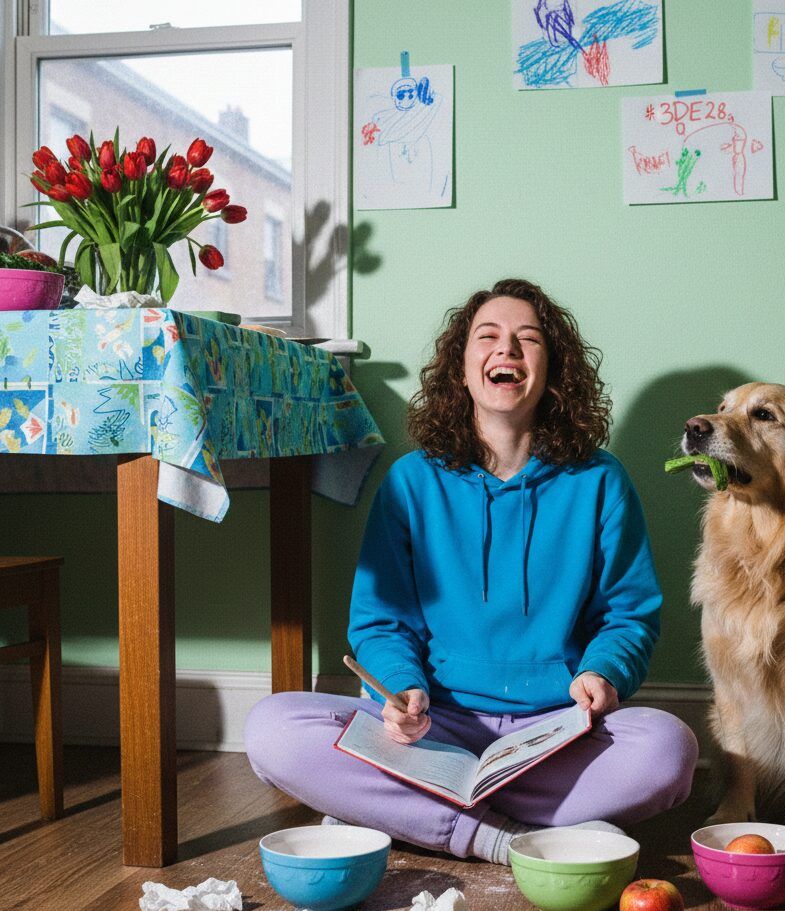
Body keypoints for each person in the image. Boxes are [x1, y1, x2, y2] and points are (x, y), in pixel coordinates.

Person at [244, 279, 698, 864]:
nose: (506, 349)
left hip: (555, 735)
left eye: (527, 340)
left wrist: (604, 672)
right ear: (461, 370)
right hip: (434, 731)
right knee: (272, 730)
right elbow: (381, 622)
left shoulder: (601, 480)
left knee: (668, 750)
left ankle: (405, 810)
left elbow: (627, 614)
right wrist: (401, 688)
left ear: (552, 370)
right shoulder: (411, 481)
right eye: (488, 337)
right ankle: (501, 839)